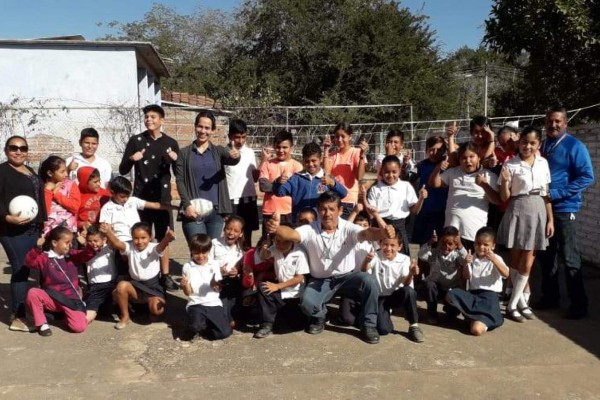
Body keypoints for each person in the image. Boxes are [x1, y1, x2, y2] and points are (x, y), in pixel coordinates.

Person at [267, 191, 395, 344]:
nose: (327, 213)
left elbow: (367, 233)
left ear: (340, 210)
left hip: (347, 278)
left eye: (332, 209)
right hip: (321, 281)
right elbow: (290, 234)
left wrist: (382, 232)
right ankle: (320, 316)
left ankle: (369, 325)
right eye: (322, 209)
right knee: (307, 305)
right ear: (317, 210)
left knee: (369, 281)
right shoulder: (309, 230)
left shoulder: (348, 228)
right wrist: (277, 228)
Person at [536, 107, 594, 319]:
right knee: (547, 257)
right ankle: (551, 297)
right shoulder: (543, 145)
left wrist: (560, 192)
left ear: (565, 123)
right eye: (550, 121)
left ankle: (579, 305)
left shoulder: (574, 145)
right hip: (544, 208)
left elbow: (587, 176)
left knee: (569, 257)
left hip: (565, 208)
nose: (553, 125)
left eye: (558, 121)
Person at [119, 104, 179, 291]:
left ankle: (166, 275)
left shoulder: (170, 142)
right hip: (141, 199)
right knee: (141, 237)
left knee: (164, 236)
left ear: (162, 120)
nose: (149, 120)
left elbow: (178, 172)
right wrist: (132, 159)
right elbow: (122, 169)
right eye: (146, 117)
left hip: (162, 199)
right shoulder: (136, 141)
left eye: (153, 116)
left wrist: (175, 159)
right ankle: (139, 273)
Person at [497, 126, 553, 322]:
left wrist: (550, 219)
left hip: (537, 209)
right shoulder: (510, 165)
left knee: (529, 260)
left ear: (538, 144)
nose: (527, 146)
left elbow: (546, 194)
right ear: (519, 142)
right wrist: (504, 182)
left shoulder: (543, 164)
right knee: (515, 257)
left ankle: (513, 303)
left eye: (532, 143)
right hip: (517, 207)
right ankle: (520, 300)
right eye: (524, 142)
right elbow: (504, 197)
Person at [0, 135, 47, 332]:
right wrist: (6, 217)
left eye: (23, 148)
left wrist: (42, 224)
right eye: (13, 148)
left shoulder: (29, 170)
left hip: (32, 228)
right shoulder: (2, 171)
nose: (18, 151)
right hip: (11, 230)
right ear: (6, 150)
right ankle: (17, 317)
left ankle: (26, 309)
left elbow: (39, 197)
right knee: (20, 269)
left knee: (26, 269)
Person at [175, 110, 240, 241]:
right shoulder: (184, 153)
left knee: (211, 253)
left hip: (216, 212)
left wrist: (236, 155)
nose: (203, 131)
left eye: (207, 128)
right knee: (198, 250)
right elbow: (179, 180)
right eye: (200, 126)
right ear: (195, 126)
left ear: (213, 130)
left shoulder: (219, 151)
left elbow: (232, 160)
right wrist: (187, 205)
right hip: (193, 210)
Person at [101, 222, 176, 330]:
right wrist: (108, 232)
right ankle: (125, 316)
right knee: (122, 286)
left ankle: (150, 308)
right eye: (136, 238)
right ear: (132, 238)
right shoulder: (130, 247)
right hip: (135, 287)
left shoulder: (153, 247)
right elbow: (117, 243)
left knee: (156, 310)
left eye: (143, 238)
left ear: (150, 237)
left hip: (152, 288)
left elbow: (161, 246)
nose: (139, 241)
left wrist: (167, 238)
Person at [429, 142, 501, 250]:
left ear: (478, 158)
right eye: (464, 158)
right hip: (451, 232)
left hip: (473, 233)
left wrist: (484, 185)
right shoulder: (453, 172)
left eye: (472, 157)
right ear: (459, 160)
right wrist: (437, 169)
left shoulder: (488, 175)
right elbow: (434, 183)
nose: (468, 161)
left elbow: (496, 201)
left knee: (470, 264)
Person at [24, 226, 95, 336]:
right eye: (67, 242)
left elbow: (89, 254)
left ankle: (72, 315)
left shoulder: (72, 255)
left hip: (70, 299)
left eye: (71, 242)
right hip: (53, 297)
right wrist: (37, 248)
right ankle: (42, 324)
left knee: (79, 327)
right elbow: (29, 262)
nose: (70, 245)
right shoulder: (44, 257)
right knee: (33, 292)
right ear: (54, 243)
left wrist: (86, 244)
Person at [99, 176, 176, 275]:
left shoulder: (133, 201)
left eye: (127, 196)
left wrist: (175, 207)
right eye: (122, 196)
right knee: (127, 269)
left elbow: (155, 205)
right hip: (123, 243)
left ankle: (161, 277)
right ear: (112, 193)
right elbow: (107, 230)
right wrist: (116, 246)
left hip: (139, 238)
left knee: (157, 251)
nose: (125, 199)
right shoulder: (107, 208)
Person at [362, 232, 424, 342]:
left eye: (392, 245)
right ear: (380, 244)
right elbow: (364, 270)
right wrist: (366, 261)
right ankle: (383, 315)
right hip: (380, 297)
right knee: (384, 329)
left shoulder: (405, 259)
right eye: (385, 244)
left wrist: (411, 273)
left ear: (399, 247)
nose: (388, 248)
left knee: (409, 292)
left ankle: (414, 325)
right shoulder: (376, 255)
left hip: (395, 296)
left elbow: (406, 284)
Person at [446, 227, 509, 336]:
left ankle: (487, 319)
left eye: (485, 245)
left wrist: (494, 260)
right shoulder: (472, 258)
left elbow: (506, 274)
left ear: (493, 246)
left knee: (476, 330)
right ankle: (471, 316)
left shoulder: (496, 258)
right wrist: (466, 264)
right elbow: (466, 277)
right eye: (478, 244)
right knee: (451, 294)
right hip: (473, 295)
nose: (481, 247)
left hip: (489, 298)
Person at [254, 224, 309, 338]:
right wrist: (265, 246)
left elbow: (299, 278)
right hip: (280, 293)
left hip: (294, 295)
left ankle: (283, 316)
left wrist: (278, 286)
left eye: (285, 242)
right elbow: (265, 256)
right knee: (263, 288)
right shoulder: (275, 248)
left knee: (294, 325)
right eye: (278, 241)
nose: (281, 245)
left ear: (292, 241)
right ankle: (266, 324)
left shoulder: (299, 254)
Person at [272, 142, 347, 223]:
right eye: (307, 161)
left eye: (313, 160)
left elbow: (344, 194)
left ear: (320, 159)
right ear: (303, 160)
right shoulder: (296, 178)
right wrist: (278, 182)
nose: (310, 164)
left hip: (321, 223)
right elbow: (279, 192)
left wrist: (333, 183)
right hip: (300, 222)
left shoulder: (327, 178)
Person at [367, 155, 428, 254]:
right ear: (382, 171)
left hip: (401, 226)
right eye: (387, 172)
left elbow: (415, 211)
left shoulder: (406, 186)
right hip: (381, 225)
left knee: (402, 257)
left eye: (394, 172)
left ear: (399, 171)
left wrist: (421, 198)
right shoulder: (375, 189)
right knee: (381, 256)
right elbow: (372, 213)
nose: (390, 175)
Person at [180, 234, 232, 341]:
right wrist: (185, 286)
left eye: (204, 252)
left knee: (225, 332)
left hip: (213, 303)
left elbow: (217, 287)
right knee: (194, 328)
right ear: (191, 251)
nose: (200, 256)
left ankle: (206, 326)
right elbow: (188, 293)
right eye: (196, 253)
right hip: (196, 304)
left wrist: (215, 284)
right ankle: (196, 323)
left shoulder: (214, 264)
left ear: (209, 251)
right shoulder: (187, 267)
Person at [418, 226, 467, 323]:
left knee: (452, 312)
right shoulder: (434, 253)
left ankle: (450, 313)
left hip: (451, 289)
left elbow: (466, 260)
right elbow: (421, 255)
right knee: (430, 285)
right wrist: (430, 242)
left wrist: (460, 245)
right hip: (436, 288)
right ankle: (432, 314)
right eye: (443, 243)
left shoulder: (457, 255)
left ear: (455, 245)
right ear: (439, 241)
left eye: (450, 244)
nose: (446, 247)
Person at [259, 130, 303, 232]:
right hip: (269, 212)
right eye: (278, 147)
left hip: (289, 212)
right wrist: (277, 182)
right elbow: (263, 186)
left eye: (284, 147)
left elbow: (296, 190)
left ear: (291, 148)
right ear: (275, 147)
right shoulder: (267, 164)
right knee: (268, 243)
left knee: (288, 244)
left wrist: (273, 186)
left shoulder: (297, 166)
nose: (281, 150)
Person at [323, 122, 369, 218]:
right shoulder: (332, 155)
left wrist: (362, 156)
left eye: (343, 136)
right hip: (334, 201)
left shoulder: (356, 152)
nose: (339, 139)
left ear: (350, 137)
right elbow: (326, 174)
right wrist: (326, 150)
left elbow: (359, 176)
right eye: (336, 136)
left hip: (348, 201)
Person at [225, 119, 260, 247]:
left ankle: (246, 265)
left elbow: (255, 177)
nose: (240, 141)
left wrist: (264, 161)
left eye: (243, 137)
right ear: (230, 136)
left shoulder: (250, 153)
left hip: (249, 199)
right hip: (231, 201)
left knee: (247, 237)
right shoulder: (223, 153)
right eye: (237, 137)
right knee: (231, 236)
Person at [209, 215, 246, 326]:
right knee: (226, 320)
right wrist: (218, 270)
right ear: (224, 229)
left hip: (234, 283)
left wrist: (237, 271)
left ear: (241, 234)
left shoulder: (241, 249)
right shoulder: (214, 243)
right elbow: (207, 264)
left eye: (236, 230)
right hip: (217, 282)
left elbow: (243, 267)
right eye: (228, 229)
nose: (231, 233)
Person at [411, 136, 448, 245]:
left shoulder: (448, 165)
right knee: (416, 243)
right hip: (423, 210)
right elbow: (408, 180)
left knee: (435, 245)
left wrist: (450, 141)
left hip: (441, 212)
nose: (435, 152)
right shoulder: (420, 165)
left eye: (439, 150)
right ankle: (414, 262)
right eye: (432, 149)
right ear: (426, 150)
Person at [81, 225, 117, 323]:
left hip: (111, 285)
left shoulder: (108, 248)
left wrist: (108, 232)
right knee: (86, 319)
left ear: (103, 240)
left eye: (96, 241)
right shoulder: (86, 252)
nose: (93, 244)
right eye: (90, 241)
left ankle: (122, 313)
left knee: (119, 296)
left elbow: (113, 241)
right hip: (96, 288)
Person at [39, 155, 80, 237]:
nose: (66, 174)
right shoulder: (42, 187)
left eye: (66, 170)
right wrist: (47, 191)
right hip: (49, 234)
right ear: (50, 173)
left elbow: (75, 207)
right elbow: (45, 213)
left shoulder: (70, 184)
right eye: (62, 172)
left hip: (69, 232)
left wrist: (56, 194)